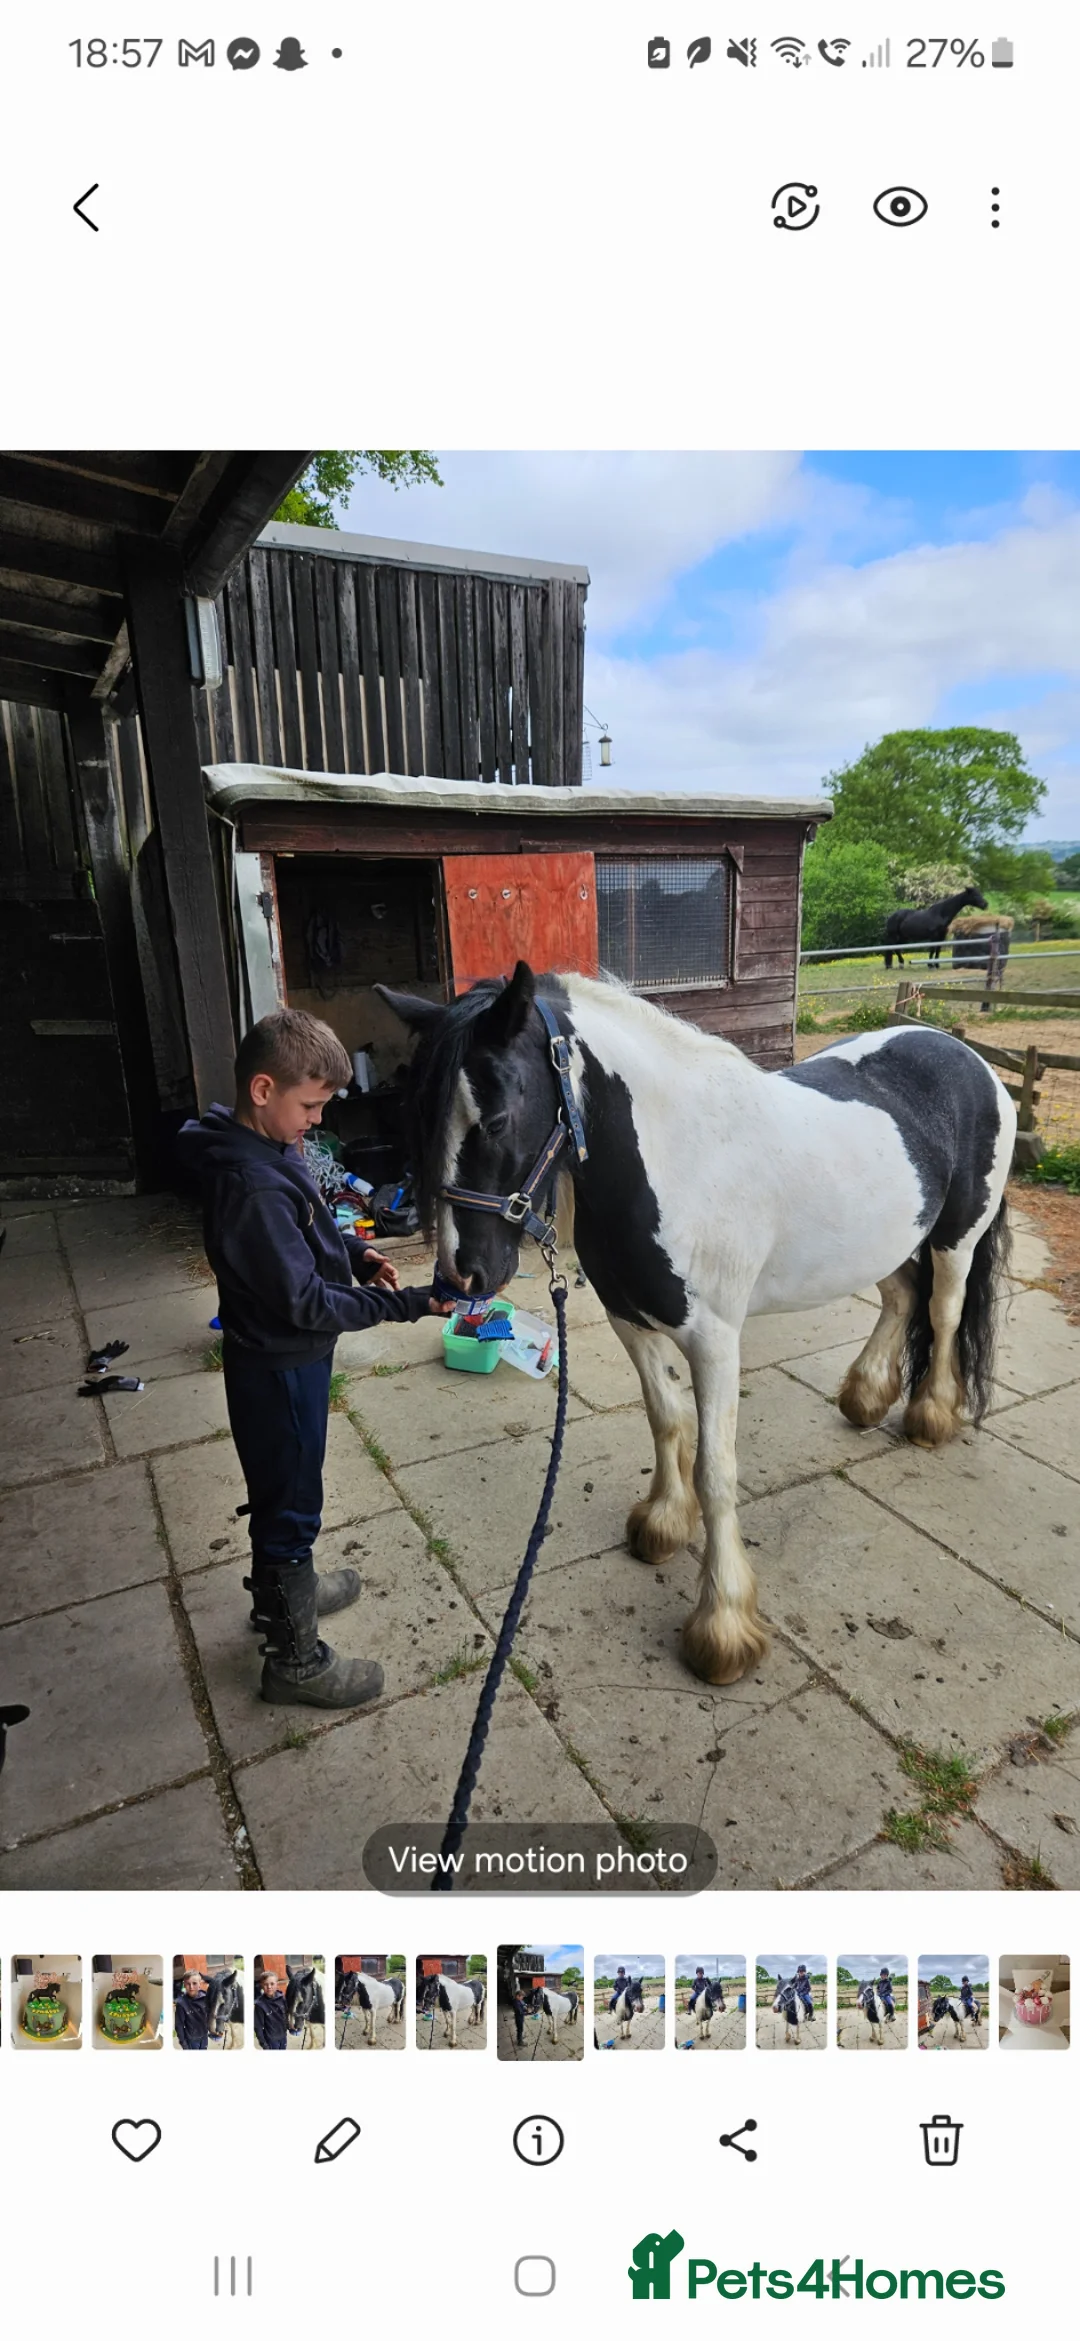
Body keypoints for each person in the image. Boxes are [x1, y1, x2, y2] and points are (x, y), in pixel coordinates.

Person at [178, 1010, 453, 1710]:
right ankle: (295, 1662)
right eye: (311, 1105)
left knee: (284, 1493)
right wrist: (409, 1304)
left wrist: (359, 1255)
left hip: (280, 1358)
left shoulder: (264, 1147)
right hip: (280, 1364)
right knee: (291, 1502)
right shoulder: (249, 1184)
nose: (317, 1118)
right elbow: (303, 1302)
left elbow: (304, 1231)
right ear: (264, 1088)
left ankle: (283, 1596)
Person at [174, 1971, 210, 2051]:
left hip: (204, 2036)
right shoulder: (181, 2003)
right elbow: (179, 2025)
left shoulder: (206, 1998)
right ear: (184, 1985)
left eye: (194, 1983)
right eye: (188, 1984)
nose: (191, 1987)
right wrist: (184, 2044)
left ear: (200, 1984)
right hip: (192, 2040)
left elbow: (211, 2015)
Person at [254, 1971, 288, 2052]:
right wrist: (264, 2045)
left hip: (283, 2036)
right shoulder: (260, 2005)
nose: (269, 1987)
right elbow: (258, 2027)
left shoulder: (282, 1998)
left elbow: (286, 2015)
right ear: (262, 1985)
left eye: (272, 1984)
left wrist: (291, 2026)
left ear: (277, 1984)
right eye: (265, 1984)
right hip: (271, 2040)